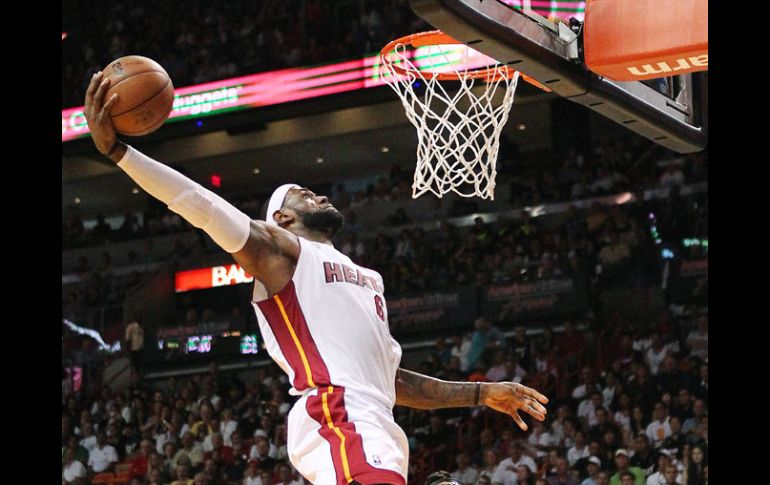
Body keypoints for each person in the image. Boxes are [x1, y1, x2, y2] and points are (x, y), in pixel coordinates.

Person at [85, 71, 549, 485]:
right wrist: (120, 152)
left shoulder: (368, 278)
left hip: (376, 423)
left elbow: (390, 382)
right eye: (304, 195)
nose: (319, 195)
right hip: (338, 416)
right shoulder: (281, 253)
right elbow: (201, 205)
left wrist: (482, 393)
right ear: (282, 219)